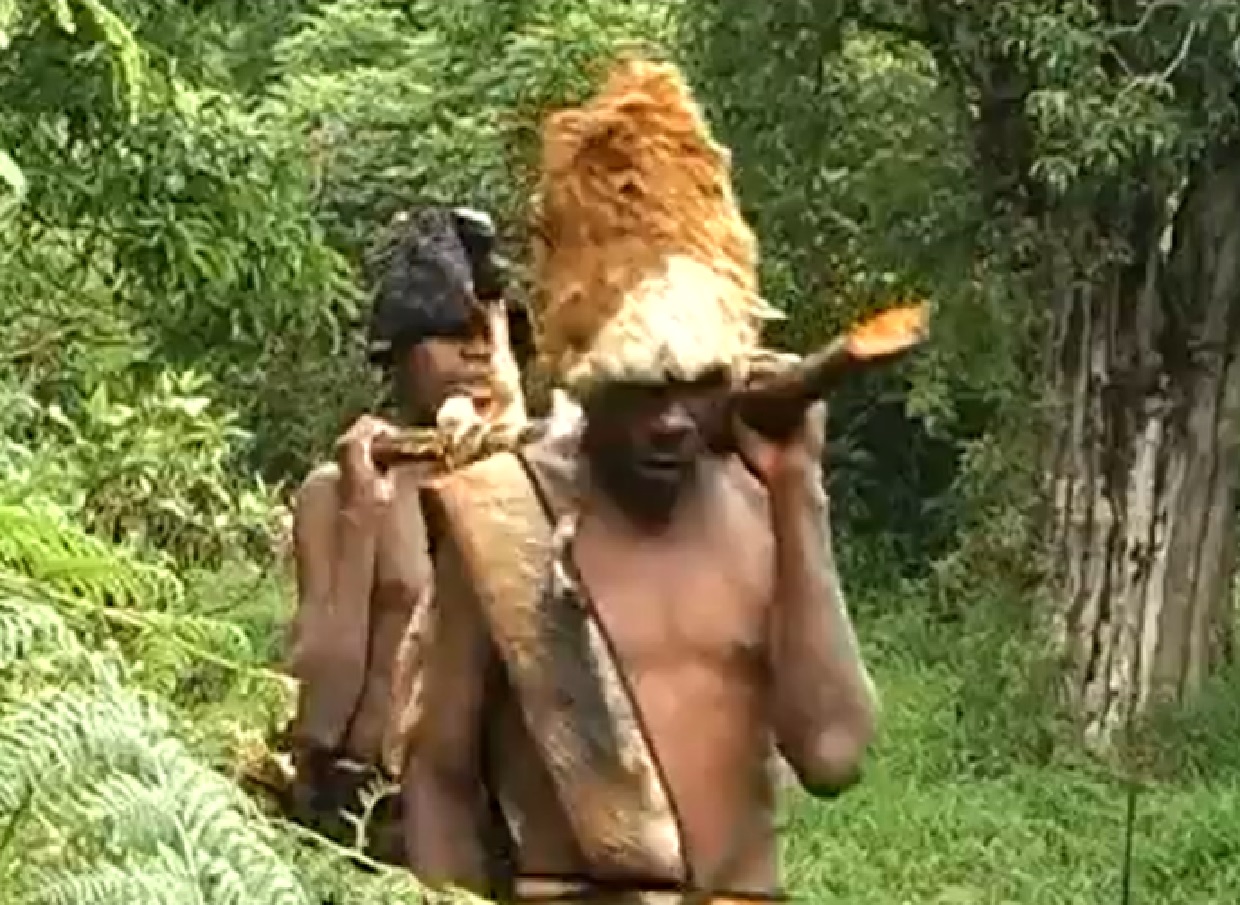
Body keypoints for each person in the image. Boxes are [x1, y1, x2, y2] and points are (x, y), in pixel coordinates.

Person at [402, 59, 877, 903]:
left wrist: (801, 488)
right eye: (640, 390)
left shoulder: (765, 511)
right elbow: (438, 775)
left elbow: (834, 752)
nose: (669, 421)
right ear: (585, 373)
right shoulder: (505, 515)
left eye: (694, 383)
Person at [284, 203, 534, 863]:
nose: (478, 351)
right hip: (359, 815)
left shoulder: (538, 485)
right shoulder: (336, 492)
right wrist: (364, 516)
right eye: (454, 332)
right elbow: (314, 712)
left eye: (492, 333)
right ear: (399, 350)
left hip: (488, 826)